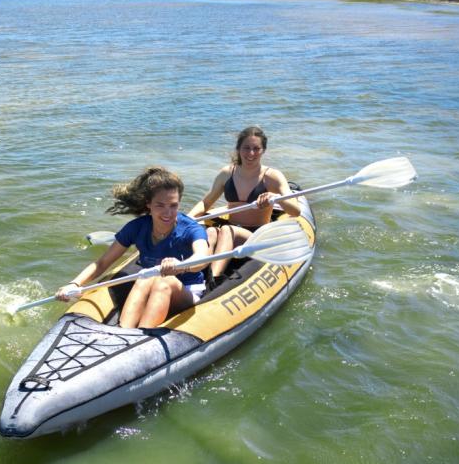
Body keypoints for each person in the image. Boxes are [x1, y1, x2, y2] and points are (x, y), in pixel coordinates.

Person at [55, 166, 209, 329]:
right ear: (148, 204)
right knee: (145, 278)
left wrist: (180, 266)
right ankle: (124, 330)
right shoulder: (136, 227)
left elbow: (202, 258)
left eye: (173, 205)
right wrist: (75, 284)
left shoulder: (191, 228)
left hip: (186, 291)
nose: (168, 213)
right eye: (160, 205)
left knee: (163, 282)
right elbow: (102, 263)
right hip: (150, 284)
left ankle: (142, 334)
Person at [187, 126, 301, 280]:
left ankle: (213, 279)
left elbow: (296, 211)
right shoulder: (227, 173)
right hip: (231, 229)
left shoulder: (272, 176)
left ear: (263, 150)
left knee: (227, 230)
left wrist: (274, 197)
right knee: (211, 232)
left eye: (256, 148)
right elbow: (206, 203)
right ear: (238, 149)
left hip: (256, 234)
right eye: (246, 148)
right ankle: (194, 272)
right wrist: (186, 219)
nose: (251, 153)